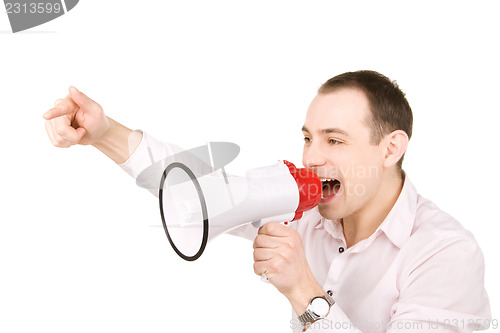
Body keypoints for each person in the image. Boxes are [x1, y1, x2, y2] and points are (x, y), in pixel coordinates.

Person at [43, 71, 491, 332]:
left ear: (391, 149)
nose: (313, 158)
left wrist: (303, 291)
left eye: (335, 140)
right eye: (309, 138)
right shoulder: (307, 213)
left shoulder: (445, 252)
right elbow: (200, 188)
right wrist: (103, 133)